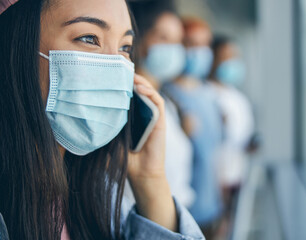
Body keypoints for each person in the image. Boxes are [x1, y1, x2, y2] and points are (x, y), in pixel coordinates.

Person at [0, 0, 204, 239]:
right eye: (89, 38)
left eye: (125, 48)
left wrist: (150, 181)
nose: (116, 65)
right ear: (16, 45)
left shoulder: (99, 196)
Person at [128, 0, 195, 208]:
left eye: (178, 41)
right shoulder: (129, 105)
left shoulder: (168, 100)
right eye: (163, 37)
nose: (173, 49)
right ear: (138, 38)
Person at [162, 16, 223, 238]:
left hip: (213, 209)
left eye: (204, 44)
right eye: (191, 44)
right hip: (184, 217)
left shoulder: (209, 95)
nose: (199, 51)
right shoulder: (166, 96)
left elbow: (214, 156)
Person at [208, 35, 255, 237]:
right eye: (226, 56)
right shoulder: (206, 95)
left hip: (236, 180)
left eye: (235, 56)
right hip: (214, 185)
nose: (233, 62)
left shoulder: (239, 98)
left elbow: (241, 138)